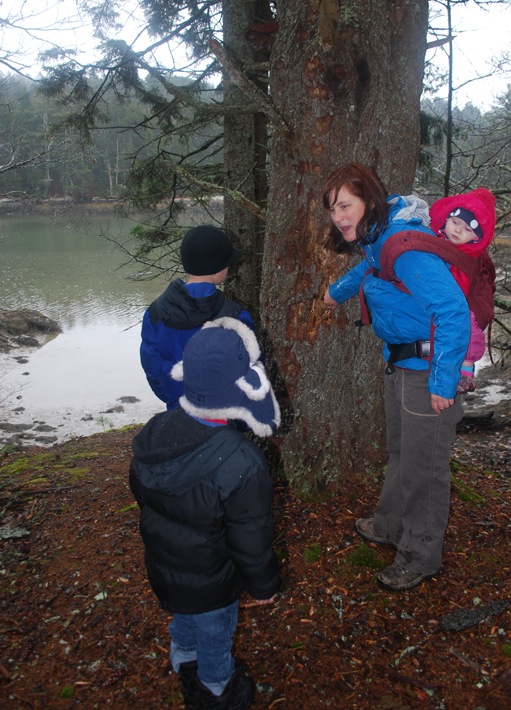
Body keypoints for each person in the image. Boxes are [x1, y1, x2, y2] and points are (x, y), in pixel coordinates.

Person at [322, 162, 470, 592]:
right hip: (402, 366)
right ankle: (389, 525)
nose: (339, 217)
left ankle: (420, 556)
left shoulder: (406, 250)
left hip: (427, 375)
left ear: (369, 201)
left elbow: (453, 312)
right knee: (401, 453)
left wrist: (443, 384)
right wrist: (337, 292)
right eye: (333, 209)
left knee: (425, 470)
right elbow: (369, 269)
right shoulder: (376, 240)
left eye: (346, 205)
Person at [129, 316, 281, 709]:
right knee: (215, 633)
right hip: (214, 581)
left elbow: (140, 492)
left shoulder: (155, 433)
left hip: (165, 567)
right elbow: (251, 538)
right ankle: (215, 687)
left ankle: (181, 656)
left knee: (183, 616)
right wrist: (263, 586)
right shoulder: (242, 462)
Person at [140, 225, 257, 410]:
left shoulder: (155, 313)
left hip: (178, 413)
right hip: (223, 418)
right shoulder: (237, 316)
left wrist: (174, 400)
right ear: (218, 269)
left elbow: (153, 368)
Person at [429, 188, 497, 393]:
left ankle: (466, 372)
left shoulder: (471, 259)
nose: (457, 230)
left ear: (477, 237)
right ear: (446, 220)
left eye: (467, 229)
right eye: (455, 222)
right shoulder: (432, 244)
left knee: (468, 328)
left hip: (460, 310)